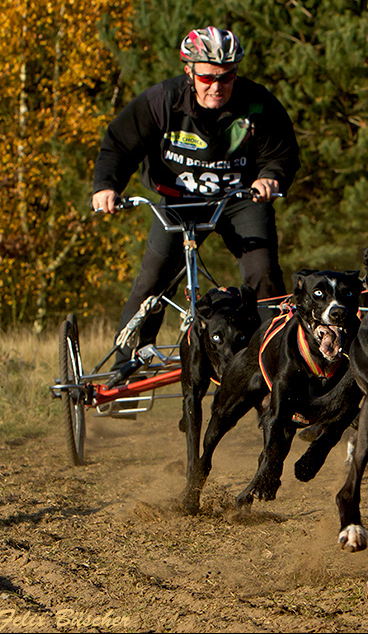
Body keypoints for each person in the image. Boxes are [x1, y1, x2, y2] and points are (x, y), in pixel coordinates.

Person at [91, 26, 299, 375]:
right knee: (154, 277)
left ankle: (274, 359)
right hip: (177, 200)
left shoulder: (258, 104)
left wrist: (271, 177)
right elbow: (119, 145)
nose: (217, 86)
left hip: (239, 199)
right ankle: (129, 363)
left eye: (227, 76)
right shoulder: (160, 101)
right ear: (189, 71)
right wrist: (106, 186)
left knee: (263, 272)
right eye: (207, 77)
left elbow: (282, 152)